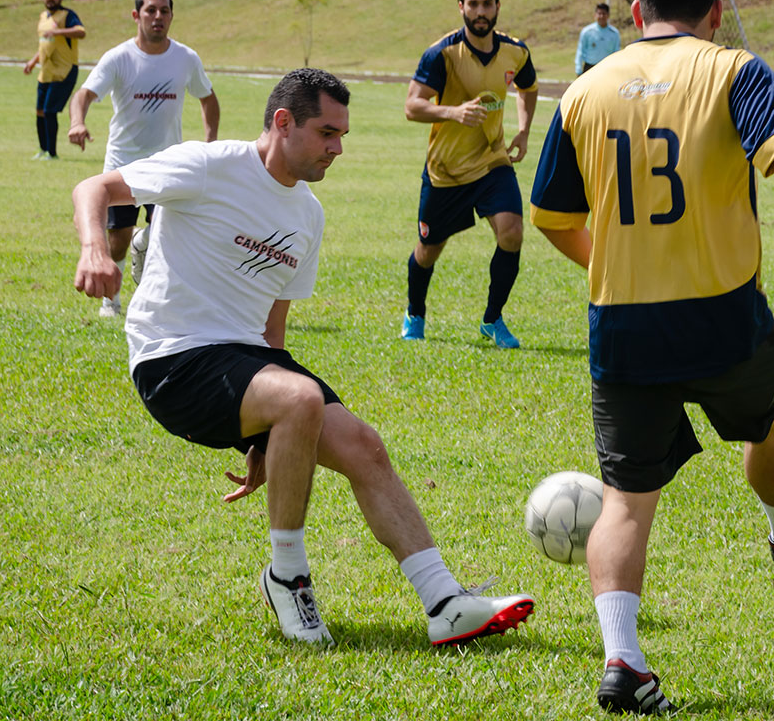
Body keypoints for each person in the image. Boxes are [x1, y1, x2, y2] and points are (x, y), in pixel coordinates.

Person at [530, 0, 774, 715]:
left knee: (624, 500)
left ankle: (624, 661)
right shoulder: (732, 69)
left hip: (620, 325)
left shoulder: (585, 90)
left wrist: (608, 268)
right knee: (772, 420)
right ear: (717, 10)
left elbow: (551, 215)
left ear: (634, 11)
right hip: (721, 317)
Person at [71, 68, 534, 648]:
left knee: (363, 445)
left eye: (342, 134)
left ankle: (445, 601)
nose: (338, 148)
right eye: (327, 132)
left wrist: (269, 433)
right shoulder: (210, 165)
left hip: (244, 359)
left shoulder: (308, 215)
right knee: (300, 397)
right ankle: (286, 575)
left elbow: (272, 332)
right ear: (283, 122)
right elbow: (93, 189)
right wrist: (95, 249)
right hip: (172, 359)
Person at [402, 0, 539, 349]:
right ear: (461, 7)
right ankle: (415, 311)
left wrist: (523, 131)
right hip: (446, 170)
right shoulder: (441, 54)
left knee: (511, 233)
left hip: (492, 160)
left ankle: (492, 319)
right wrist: (453, 112)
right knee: (428, 251)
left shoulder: (515, 51)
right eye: (473, 4)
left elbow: (528, 87)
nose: (481, 11)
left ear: (497, 6)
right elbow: (412, 107)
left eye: (487, 4)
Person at [68, 0, 221, 319]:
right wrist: (77, 122)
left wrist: (210, 144)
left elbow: (208, 99)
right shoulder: (119, 58)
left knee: (167, 235)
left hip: (168, 164)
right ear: (136, 15)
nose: (158, 17)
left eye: (164, 11)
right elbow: (83, 95)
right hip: (124, 163)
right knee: (119, 237)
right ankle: (111, 299)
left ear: (171, 17)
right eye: (151, 10)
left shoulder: (185, 58)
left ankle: (158, 300)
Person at [23, 0, 85, 161]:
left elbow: (81, 32)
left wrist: (59, 32)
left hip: (64, 71)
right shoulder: (43, 17)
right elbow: (44, 44)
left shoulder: (67, 15)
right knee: (40, 111)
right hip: (46, 72)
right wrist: (33, 61)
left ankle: (52, 153)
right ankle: (43, 150)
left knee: (49, 111)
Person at [574, 2, 620, 75]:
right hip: (589, 68)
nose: (601, 16)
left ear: (608, 15)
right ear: (595, 15)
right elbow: (580, 51)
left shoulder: (614, 33)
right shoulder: (587, 31)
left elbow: (616, 53)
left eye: (604, 13)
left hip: (607, 69)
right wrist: (578, 69)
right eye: (599, 13)